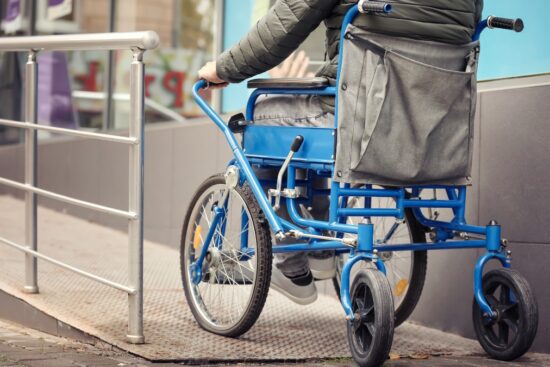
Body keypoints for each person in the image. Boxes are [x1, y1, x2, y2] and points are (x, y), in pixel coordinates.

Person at [199, 0, 484, 305]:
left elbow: (287, 22)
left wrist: (222, 68)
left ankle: (293, 262)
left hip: (359, 117)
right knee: (310, 125)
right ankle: (321, 251)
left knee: (261, 114)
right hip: (433, 123)